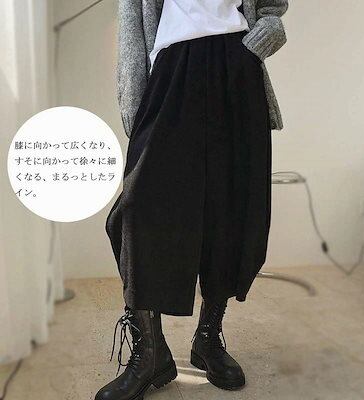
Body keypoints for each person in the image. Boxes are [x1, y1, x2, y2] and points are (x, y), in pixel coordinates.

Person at [96, 0, 289, 399]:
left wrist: (264, 34)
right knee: (135, 210)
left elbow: (273, 5)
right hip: (173, 68)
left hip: (237, 64)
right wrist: (135, 103)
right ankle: (151, 354)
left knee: (228, 210)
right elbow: (131, 21)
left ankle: (208, 338)